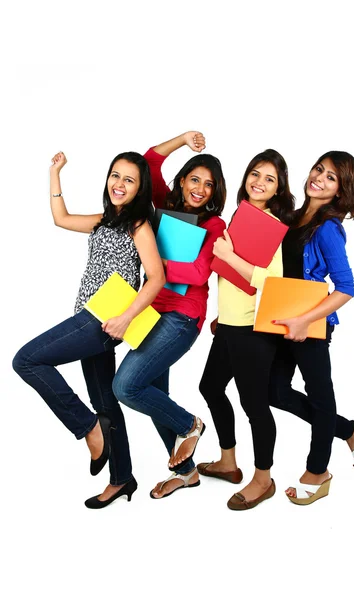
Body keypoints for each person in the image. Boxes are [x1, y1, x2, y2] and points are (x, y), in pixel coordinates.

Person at [12, 150, 165, 508]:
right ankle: (122, 478)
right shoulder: (102, 221)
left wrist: (126, 317)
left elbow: (156, 277)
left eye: (129, 179)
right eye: (115, 175)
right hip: (89, 314)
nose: (119, 184)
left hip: (102, 319)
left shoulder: (138, 224)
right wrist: (55, 173)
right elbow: (60, 218)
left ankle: (87, 428)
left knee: (26, 361)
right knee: (105, 401)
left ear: (140, 187)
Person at [110, 131, 227, 501]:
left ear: (214, 192)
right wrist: (183, 139)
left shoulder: (213, 225)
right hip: (150, 309)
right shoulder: (161, 204)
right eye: (195, 179)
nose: (200, 189)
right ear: (182, 180)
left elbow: (197, 274)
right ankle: (187, 473)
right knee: (154, 392)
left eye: (209, 185)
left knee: (126, 386)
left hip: (182, 318)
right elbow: (149, 160)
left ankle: (189, 425)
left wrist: (155, 265)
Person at [266, 150, 354, 504]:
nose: (320, 178)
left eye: (331, 177)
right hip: (283, 320)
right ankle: (353, 432)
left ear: (341, 191)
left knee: (320, 395)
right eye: (319, 170)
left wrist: (306, 320)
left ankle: (317, 472)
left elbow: (346, 287)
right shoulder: (296, 217)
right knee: (275, 392)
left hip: (310, 325)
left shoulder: (328, 228)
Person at [198, 149, 294, 510]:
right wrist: (223, 315)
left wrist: (228, 255)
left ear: (277, 189)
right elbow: (233, 279)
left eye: (269, 178)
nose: (259, 182)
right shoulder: (242, 216)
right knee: (210, 386)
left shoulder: (271, 225)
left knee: (254, 405)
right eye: (255, 173)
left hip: (253, 330)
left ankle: (263, 479)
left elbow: (272, 280)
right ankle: (228, 461)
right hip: (230, 325)